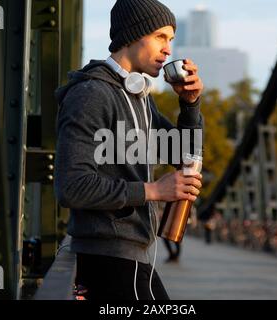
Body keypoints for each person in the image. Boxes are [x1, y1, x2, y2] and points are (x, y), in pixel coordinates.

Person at [54, 0, 204, 300]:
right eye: (160, 37)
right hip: (109, 262)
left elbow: (186, 156)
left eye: (171, 40)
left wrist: (190, 106)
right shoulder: (92, 94)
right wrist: (152, 191)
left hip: (135, 259)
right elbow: (71, 187)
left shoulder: (139, 98)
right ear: (133, 34)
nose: (168, 50)